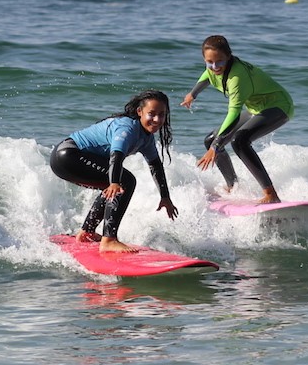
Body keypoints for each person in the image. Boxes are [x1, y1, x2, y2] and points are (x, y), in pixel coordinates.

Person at [50, 90, 179, 253]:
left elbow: (155, 166)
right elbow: (116, 156)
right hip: (68, 156)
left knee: (115, 185)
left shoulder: (146, 138)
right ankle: (109, 240)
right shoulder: (127, 128)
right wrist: (114, 183)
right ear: (140, 112)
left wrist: (165, 197)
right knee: (125, 181)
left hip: (68, 158)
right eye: (151, 114)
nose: (157, 119)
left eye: (162, 115)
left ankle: (86, 232)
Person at [181, 35, 294, 204]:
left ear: (228, 56)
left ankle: (271, 195)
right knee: (210, 139)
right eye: (209, 62)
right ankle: (233, 187)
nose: (214, 66)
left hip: (278, 106)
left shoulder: (237, 78)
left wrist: (217, 147)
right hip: (256, 108)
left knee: (239, 141)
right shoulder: (214, 68)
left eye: (219, 61)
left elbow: (233, 114)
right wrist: (193, 94)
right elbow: (207, 76)